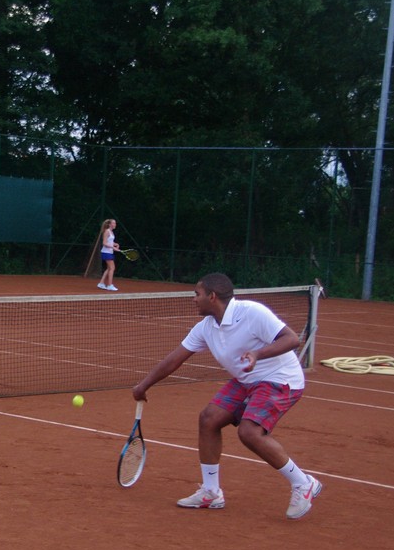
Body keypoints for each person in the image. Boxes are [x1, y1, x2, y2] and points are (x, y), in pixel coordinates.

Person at [132, 272, 322, 519]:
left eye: (197, 294)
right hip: (246, 380)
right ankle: (211, 492)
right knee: (209, 419)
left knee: (249, 432)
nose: (193, 299)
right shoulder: (205, 327)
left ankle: (303, 483)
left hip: (280, 378)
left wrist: (257, 355)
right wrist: (144, 385)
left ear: (212, 296)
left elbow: (292, 339)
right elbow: (174, 359)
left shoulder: (252, 313)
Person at [97, 218, 121, 291]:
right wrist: (113, 248)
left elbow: (109, 241)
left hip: (109, 252)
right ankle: (110, 285)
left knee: (109, 268)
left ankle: (101, 283)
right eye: (114, 223)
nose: (115, 224)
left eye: (115, 223)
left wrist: (115, 244)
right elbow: (104, 243)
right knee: (112, 268)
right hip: (106, 252)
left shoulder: (111, 232)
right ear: (110, 224)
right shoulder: (107, 231)